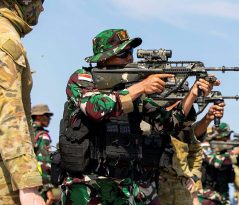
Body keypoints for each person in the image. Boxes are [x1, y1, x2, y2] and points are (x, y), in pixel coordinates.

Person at [59, 28, 216, 205]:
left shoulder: (133, 90)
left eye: (131, 53)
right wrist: (141, 87)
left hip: (124, 186)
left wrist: (193, 94)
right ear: (104, 57)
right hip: (86, 184)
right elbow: (95, 108)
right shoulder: (82, 78)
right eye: (124, 53)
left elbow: (168, 124)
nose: (130, 58)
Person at [0, 0, 45, 204]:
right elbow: (6, 111)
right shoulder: (3, 39)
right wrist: (27, 183)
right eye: (40, 1)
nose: (41, 8)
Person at [158, 100, 225, 205]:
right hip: (154, 184)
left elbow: (195, 152)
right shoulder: (150, 118)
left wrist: (193, 177)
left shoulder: (183, 126)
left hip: (181, 186)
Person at [198, 122, 235, 205]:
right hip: (207, 196)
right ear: (217, 136)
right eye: (226, 136)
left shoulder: (225, 150)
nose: (228, 139)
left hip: (223, 196)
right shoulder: (205, 146)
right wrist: (234, 153)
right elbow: (216, 163)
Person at [31, 104, 58, 205]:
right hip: (40, 183)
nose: (49, 118)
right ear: (38, 116)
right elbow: (44, 163)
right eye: (47, 115)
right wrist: (48, 188)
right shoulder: (42, 135)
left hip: (26, 181)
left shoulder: (26, 132)